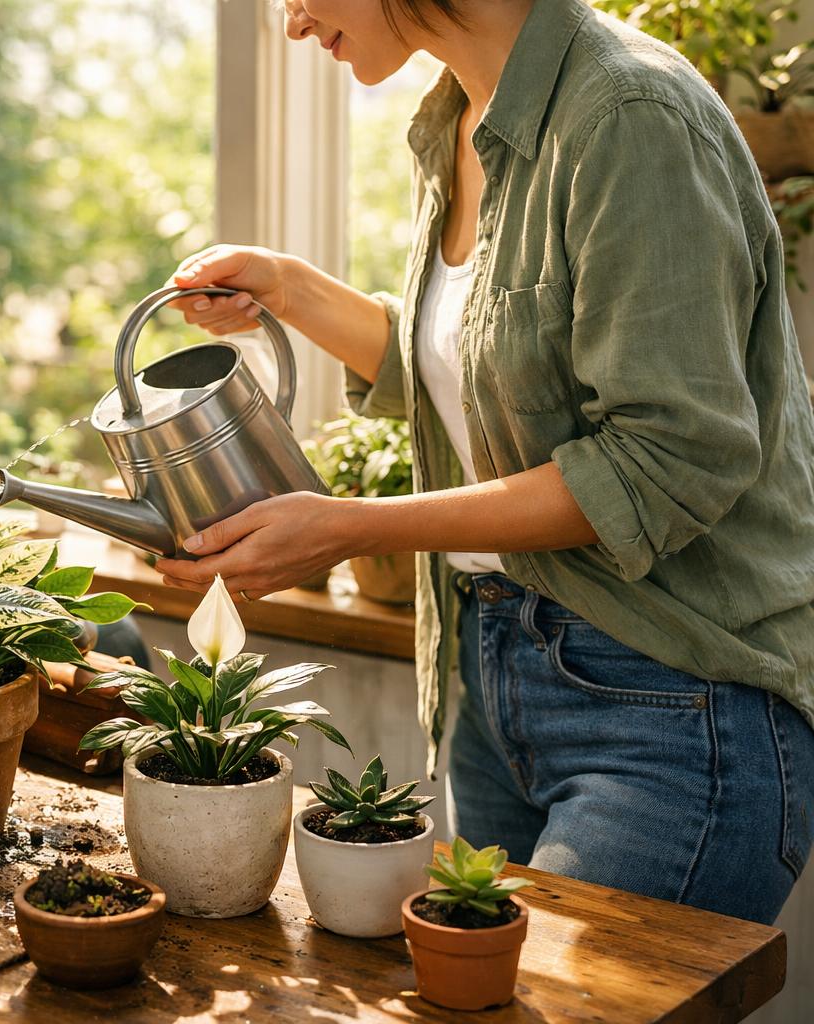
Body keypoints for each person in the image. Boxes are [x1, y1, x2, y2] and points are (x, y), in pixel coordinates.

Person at [158, 0, 814, 925]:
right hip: (495, 678)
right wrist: (287, 285)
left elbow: (667, 459)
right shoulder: (461, 118)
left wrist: (351, 529)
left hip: (672, 700)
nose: (293, 24)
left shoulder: (630, 115)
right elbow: (481, 382)